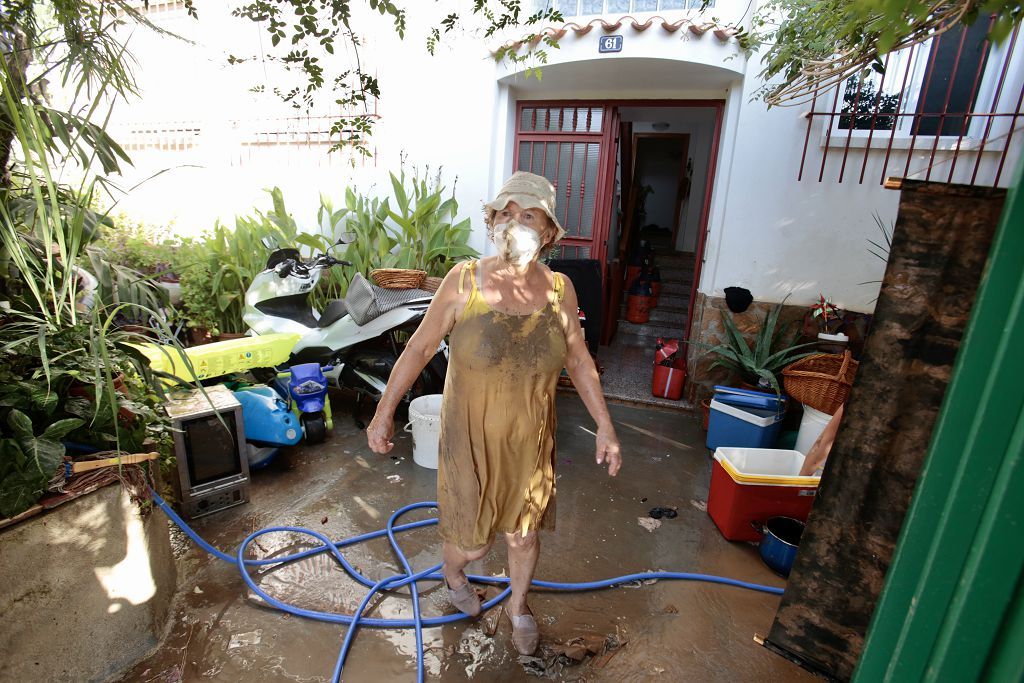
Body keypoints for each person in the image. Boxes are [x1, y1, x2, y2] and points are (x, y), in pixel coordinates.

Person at [367, 171, 622, 656]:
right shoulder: (463, 282)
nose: (514, 222)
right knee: (474, 544)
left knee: (523, 538)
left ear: (548, 233)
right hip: (469, 440)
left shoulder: (559, 290)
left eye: (528, 215)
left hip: (530, 441)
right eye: (505, 213)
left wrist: (605, 427)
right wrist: (383, 413)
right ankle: (453, 572)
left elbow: (580, 360)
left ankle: (518, 607)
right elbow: (420, 348)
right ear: (491, 223)